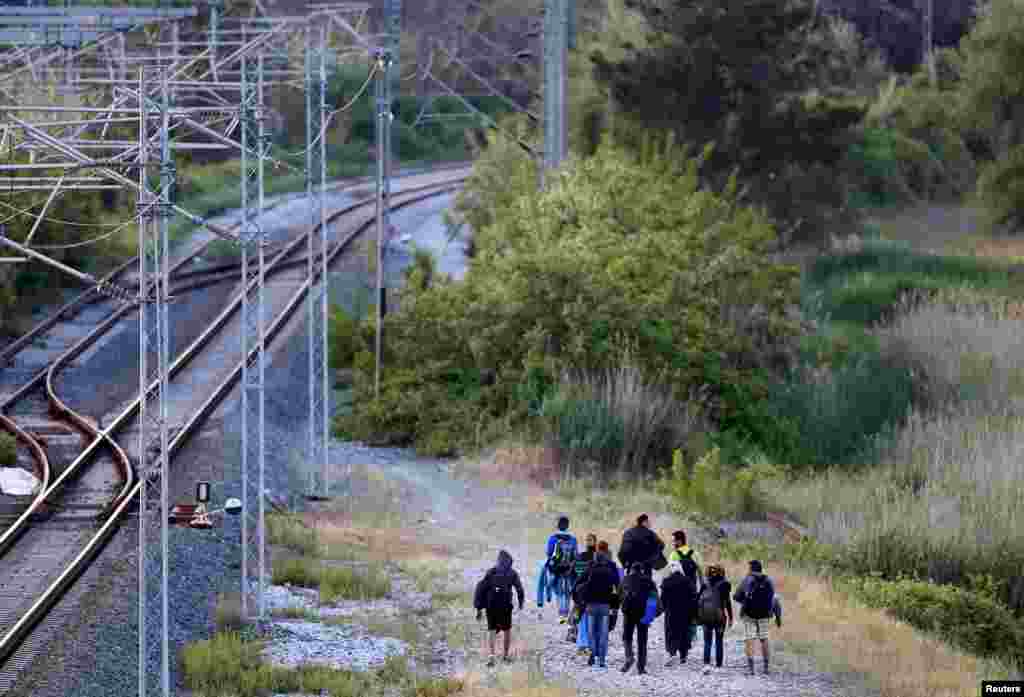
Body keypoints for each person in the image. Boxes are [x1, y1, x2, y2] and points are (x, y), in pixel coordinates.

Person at [473, 549, 526, 667]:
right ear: (509, 562)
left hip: (491, 606)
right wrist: (521, 603)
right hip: (505, 606)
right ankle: (505, 656)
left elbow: (481, 589)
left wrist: (479, 608)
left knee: (491, 630)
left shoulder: (491, 572)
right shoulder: (512, 573)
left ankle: (491, 656)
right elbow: (519, 589)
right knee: (507, 631)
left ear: (498, 561)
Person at [733, 559, 782, 675]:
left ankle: (751, 670)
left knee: (749, 639)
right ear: (761, 568)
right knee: (764, 638)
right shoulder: (768, 580)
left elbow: (736, 596)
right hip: (765, 614)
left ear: (751, 569)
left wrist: (745, 602)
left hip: (749, 615)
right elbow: (773, 598)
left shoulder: (747, 579)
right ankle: (766, 668)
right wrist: (778, 616)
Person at [578, 540, 621, 668]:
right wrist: (616, 605)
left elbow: (580, 582)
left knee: (591, 633)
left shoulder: (590, 568)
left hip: (591, 605)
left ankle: (592, 656)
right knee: (603, 634)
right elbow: (617, 586)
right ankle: (601, 660)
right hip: (605, 606)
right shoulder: (610, 569)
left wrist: (579, 598)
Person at [620, 562, 661, 674]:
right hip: (643, 613)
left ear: (632, 570)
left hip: (628, 613)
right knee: (642, 640)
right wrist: (652, 614)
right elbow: (654, 597)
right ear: (642, 570)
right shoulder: (648, 581)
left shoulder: (626, 579)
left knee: (627, 637)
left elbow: (619, 595)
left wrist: (621, 607)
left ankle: (629, 657)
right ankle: (641, 667)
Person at [668, 530, 703, 650]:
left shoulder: (673, 555)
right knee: (692, 614)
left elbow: (671, 574)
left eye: (673, 541)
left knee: (678, 615)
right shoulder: (695, 553)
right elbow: (700, 572)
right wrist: (701, 587)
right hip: (692, 590)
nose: (672, 543)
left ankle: (679, 640)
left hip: (678, 591)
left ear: (679, 541)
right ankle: (691, 636)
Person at [660, 560, 699, 666]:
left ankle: (672, 652)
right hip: (685, 612)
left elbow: (663, 599)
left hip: (671, 612)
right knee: (684, 633)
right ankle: (683, 656)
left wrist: (664, 609)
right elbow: (693, 597)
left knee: (671, 632)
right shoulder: (687, 581)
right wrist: (694, 612)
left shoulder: (666, 581)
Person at [697, 564, 734, 674]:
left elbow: (698, 600)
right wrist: (731, 617)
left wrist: (697, 617)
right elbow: (727, 602)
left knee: (707, 641)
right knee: (719, 641)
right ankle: (718, 665)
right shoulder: (725, 585)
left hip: (706, 617)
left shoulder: (704, 584)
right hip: (720, 617)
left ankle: (706, 664)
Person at [546, 515, 579, 624]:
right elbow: (576, 555)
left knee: (559, 592)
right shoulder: (573, 539)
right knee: (568, 592)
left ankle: (561, 615)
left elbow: (549, 553)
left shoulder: (553, 538)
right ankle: (566, 613)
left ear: (558, 525)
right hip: (569, 569)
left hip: (557, 569)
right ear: (567, 525)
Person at [570, 533, 598, 652]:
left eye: (589, 540)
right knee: (586, 617)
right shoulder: (597, 557)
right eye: (587, 540)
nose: (588, 542)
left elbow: (572, 573)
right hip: (588, 592)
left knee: (582, 616)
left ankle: (583, 642)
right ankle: (585, 643)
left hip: (584, 592)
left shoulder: (582, 557)